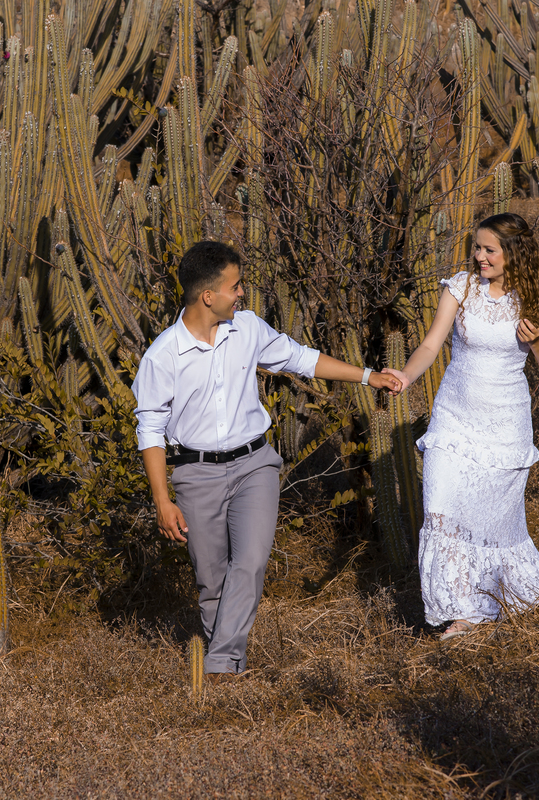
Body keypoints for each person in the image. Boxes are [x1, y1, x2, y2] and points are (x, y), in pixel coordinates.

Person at [134, 241, 401, 679]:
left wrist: (369, 376)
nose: (242, 294)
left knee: (252, 560)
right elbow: (150, 430)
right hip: (195, 473)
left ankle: (220, 665)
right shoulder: (162, 356)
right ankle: (227, 658)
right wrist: (162, 500)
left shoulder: (249, 329)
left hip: (254, 464)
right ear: (208, 296)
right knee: (212, 577)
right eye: (235, 287)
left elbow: (302, 359)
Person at [384, 213, 539, 640]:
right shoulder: (462, 287)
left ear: (514, 254)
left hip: (504, 427)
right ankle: (462, 609)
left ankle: (491, 603)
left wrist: (537, 338)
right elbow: (432, 342)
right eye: (478, 247)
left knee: (490, 525)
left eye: (490, 249)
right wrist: (407, 377)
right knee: (440, 509)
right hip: (454, 420)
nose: (479, 256)